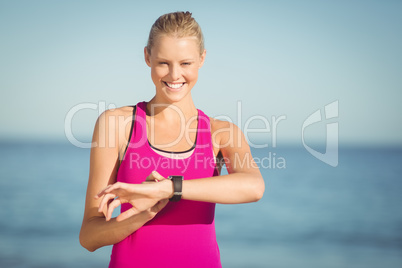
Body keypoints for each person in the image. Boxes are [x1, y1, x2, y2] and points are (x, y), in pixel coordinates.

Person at [79, 11, 265, 268]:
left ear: (202, 59)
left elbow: (254, 186)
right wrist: (143, 213)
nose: (175, 75)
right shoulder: (117, 124)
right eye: (163, 63)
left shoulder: (220, 133)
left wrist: (167, 188)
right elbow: (89, 237)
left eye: (186, 63)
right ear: (147, 57)